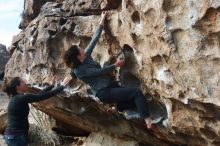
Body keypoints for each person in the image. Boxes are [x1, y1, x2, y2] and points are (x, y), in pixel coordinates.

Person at [63, 11, 159, 129]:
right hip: (103, 92)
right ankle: (148, 120)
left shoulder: (85, 56)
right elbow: (98, 72)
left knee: (135, 99)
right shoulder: (79, 70)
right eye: (80, 49)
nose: (83, 49)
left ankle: (117, 108)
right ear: (78, 56)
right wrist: (115, 65)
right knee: (136, 93)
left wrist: (102, 20)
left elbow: (94, 40)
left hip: (110, 85)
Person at [3, 76, 71, 146]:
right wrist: (61, 86)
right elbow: (42, 97)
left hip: (13, 136)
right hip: (16, 137)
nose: (25, 83)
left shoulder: (16, 98)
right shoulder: (21, 98)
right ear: (18, 87)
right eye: (22, 82)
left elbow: (37, 95)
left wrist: (51, 86)